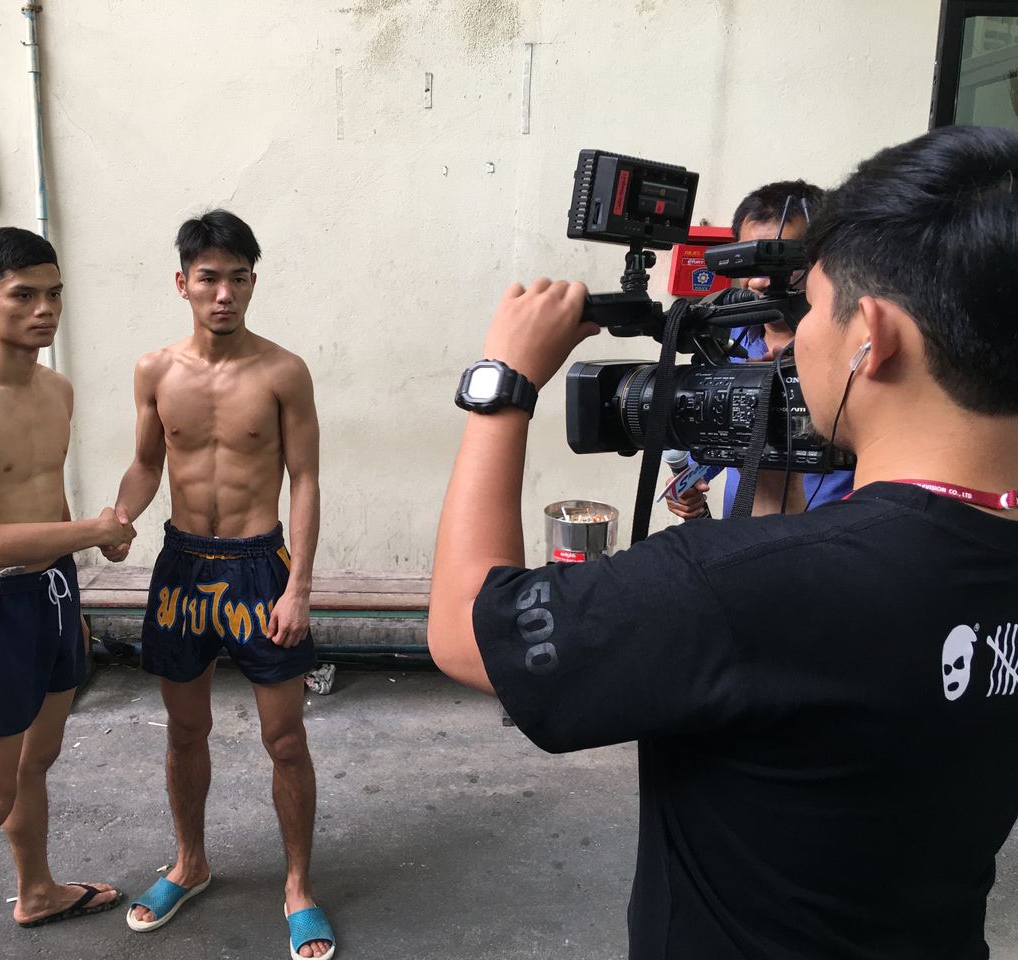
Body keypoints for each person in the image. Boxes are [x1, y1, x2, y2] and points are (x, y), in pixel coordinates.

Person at [429, 125, 1018, 959]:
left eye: (809, 308)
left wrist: (504, 383)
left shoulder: (744, 590)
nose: (794, 337)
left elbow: (464, 628)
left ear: (872, 334)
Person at [106, 210, 334, 958]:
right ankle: (190, 863)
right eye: (209, 278)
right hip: (183, 566)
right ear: (183, 284)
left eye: (239, 278)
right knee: (184, 731)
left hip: (258, 568)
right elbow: (148, 463)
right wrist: (120, 517)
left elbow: (305, 479)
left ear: (253, 283)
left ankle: (298, 886)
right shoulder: (154, 370)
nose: (224, 293)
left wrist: (299, 586)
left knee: (285, 738)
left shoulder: (282, 372)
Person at [0, 227, 134, 960]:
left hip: (55, 593)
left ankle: (36, 893)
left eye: (55, 294)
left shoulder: (56, 389)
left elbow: (46, 498)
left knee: (35, 764)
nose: (46, 309)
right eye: (24, 295)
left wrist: (82, 557)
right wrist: (93, 530)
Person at [666, 179, 855, 520]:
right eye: (749, 262)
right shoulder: (729, 339)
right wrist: (689, 485)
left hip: (829, 542)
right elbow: (713, 445)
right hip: (743, 538)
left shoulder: (856, 352)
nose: (759, 281)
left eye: (781, 262)